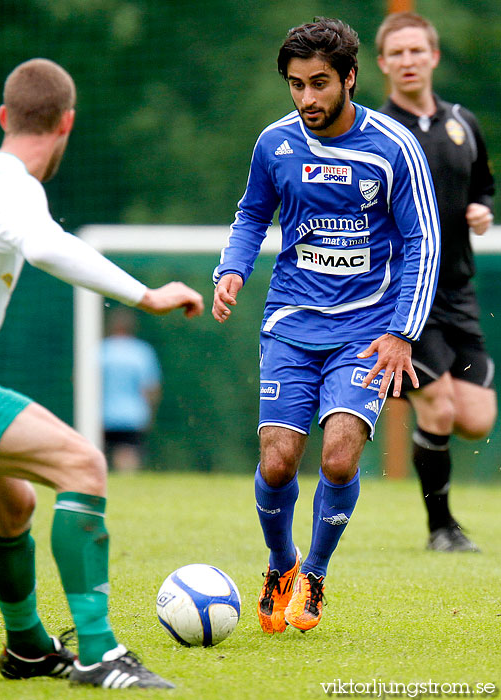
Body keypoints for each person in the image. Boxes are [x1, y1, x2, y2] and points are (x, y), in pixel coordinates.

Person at [0, 58, 203, 689]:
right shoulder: (11, 184)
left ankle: (28, 649)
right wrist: (146, 294)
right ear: (67, 121)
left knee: (12, 507)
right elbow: (46, 246)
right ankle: (100, 653)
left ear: (2, 117)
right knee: (83, 465)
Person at [212, 18, 440, 635]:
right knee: (280, 462)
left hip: (367, 327)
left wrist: (402, 332)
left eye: (319, 83)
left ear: (350, 78)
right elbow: (252, 212)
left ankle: (314, 572)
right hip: (290, 321)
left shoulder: (395, 146)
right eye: (295, 85)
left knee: (338, 460)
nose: (307, 99)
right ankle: (281, 563)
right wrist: (231, 270)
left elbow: (423, 239)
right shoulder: (275, 144)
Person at [376, 13, 496, 553]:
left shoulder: (462, 123)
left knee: (475, 417)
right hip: (406, 296)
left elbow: (483, 188)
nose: (407, 61)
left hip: (458, 296)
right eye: (396, 53)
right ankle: (440, 530)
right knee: (441, 407)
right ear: (381, 64)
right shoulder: (378, 132)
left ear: (433, 57)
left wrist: (481, 212)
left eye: (415, 51)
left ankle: (392, 385)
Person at [100, 308, 162, 472]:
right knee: (127, 455)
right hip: (133, 414)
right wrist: (150, 412)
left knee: (99, 456)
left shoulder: (101, 350)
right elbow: (150, 388)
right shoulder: (141, 352)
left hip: (102, 414)